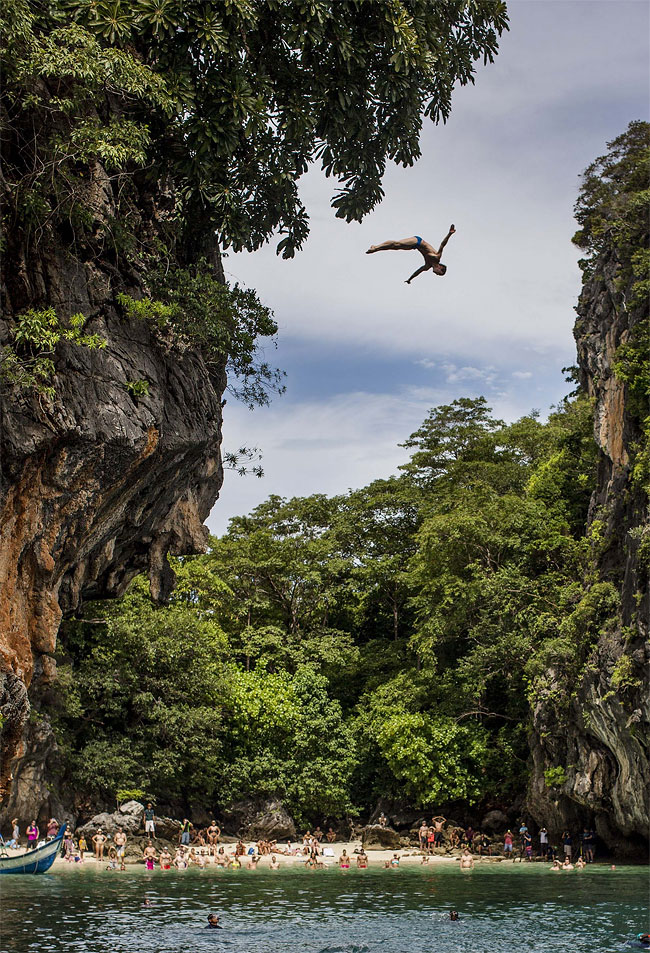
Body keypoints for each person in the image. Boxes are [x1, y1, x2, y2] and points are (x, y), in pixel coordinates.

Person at [366, 226, 456, 284]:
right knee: (397, 244)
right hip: (418, 241)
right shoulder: (437, 257)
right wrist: (449, 234)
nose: (436, 274)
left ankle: (376, 248)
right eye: (439, 274)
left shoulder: (427, 266)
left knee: (395, 248)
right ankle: (376, 247)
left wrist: (410, 279)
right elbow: (442, 245)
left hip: (414, 247)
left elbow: (418, 272)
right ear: (440, 267)